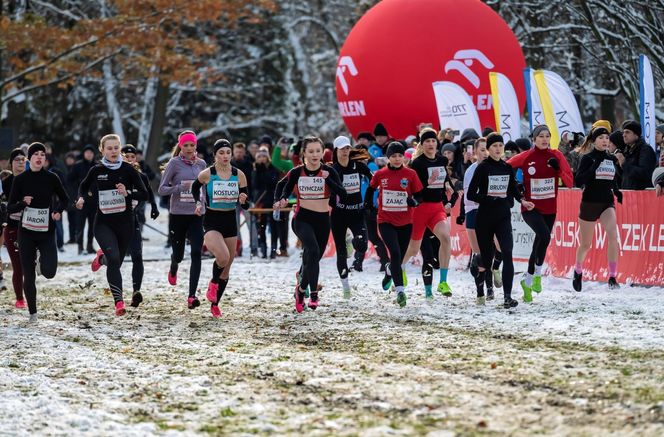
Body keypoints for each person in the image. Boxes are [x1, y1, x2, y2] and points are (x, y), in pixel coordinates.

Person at [76, 134, 148, 316]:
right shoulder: (97, 170)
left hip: (125, 224)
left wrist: (128, 193)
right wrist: (81, 198)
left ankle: (101, 259)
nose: (113, 151)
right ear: (102, 150)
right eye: (109, 148)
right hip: (103, 224)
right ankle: (119, 302)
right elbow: (83, 187)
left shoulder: (129, 170)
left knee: (115, 261)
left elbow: (144, 194)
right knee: (114, 259)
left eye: (116, 148)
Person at [274, 136, 346, 313]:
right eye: (311, 151)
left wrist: (328, 179)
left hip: (322, 221)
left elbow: (343, 194)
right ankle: (313, 294)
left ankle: (300, 291)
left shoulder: (329, 171)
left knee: (312, 258)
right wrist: (280, 199)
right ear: (304, 154)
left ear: (323, 153)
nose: (315, 154)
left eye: (318, 151)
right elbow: (282, 186)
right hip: (302, 219)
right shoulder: (297, 172)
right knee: (312, 251)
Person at [507, 125, 574, 302]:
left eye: (547, 136)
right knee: (544, 236)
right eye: (540, 136)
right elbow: (505, 168)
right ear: (534, 139)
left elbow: (569, 182)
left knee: (540, 244)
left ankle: (527, 282)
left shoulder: (556, 155)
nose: (544, 139)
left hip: (550, 208)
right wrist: (518, 191)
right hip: (530, 208)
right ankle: (537, 275)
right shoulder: (527, 156)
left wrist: (558, 169)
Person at [467, 133, 534, 308]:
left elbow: (513, 190)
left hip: (503, 216)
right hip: (485, 218)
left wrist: (523, 200)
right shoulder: (482, 168)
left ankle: (507, 297)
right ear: (488, 149)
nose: (498, 149)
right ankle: (480, 288)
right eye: (494, 146)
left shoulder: (506, 167)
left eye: (500, 145)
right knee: (486, 261)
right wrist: (489, 199)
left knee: (507, 252)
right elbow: (471, 194)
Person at [6, 143, 69, 321]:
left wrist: (57, 211)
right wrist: (22, 204)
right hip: (25, 233)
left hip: (46, 231)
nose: (40, 157)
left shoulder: (52, 178)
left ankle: (41, 259)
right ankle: (33, 312)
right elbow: (10, 208)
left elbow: (65, 199)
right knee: (28, 273)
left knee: (50, 273)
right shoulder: (20, 180)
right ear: (29, 158)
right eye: (36, 154)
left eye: (43, 154)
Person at [191, 139, 250, 318]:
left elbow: (246, 203)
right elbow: (195, 188)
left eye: (228, 152)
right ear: (215, 155)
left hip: (230, 220)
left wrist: (243, 200)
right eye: (221, 153)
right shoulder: (207, 174)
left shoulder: (239, 175)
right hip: (212, 220)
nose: (225, 156)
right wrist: (198, 203)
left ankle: (215, 303)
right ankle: (213, 283)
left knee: (227, 267)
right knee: (222, 257)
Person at [365, 141, 423, 307]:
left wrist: (414, 202)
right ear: (388, 158)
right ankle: (400, 291)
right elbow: (370, 189)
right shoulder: (380, 174)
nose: (397, 159)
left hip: (406, 222)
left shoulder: (410, 174)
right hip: (385, 221)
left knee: (399, 256)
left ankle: (390, 270)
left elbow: (420, 196)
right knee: (396, 253)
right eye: (393, 156)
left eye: (400, 156)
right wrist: (368, 205)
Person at [402, 128, 455, 299]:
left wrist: (448, 187)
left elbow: (444, 179)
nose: (431, 144)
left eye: (433, 141)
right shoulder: (417, 164)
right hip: (420, 210)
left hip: (437, 208)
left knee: (446, 238)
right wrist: (427, 182)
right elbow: (414, 189)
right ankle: (400, 267)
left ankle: (443, 282)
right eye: (427, 141)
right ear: (422, 145)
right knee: (413, 249)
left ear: (437, 143)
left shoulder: (441, 160)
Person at [158, 130, 208, 309]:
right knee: (178, 255)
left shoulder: (202, 164)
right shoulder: (174, 163)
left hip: (196, 215)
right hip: (178, 215)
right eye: (185, 145)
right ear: (180, 146)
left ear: (196, 146)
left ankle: (191, 296)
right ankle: (174, 264)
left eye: (192, 145)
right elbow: (162, 189)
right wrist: (178, 188)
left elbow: (205, 188)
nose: (189, 148)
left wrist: (204, 203)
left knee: (196, 253)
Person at [573, 126, 622, 291]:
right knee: (586, 244)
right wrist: (594, 168)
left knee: (613, 236)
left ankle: (613, 277)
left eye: (607, 138)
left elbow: (613, 178)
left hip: (607, 203)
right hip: (589, 204)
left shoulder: (611, 159)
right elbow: (579, 181)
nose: (605, 141)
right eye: (601, 138)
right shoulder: (588, 158)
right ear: (594, 141)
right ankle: (578, 271)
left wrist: (616, 190)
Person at [330, 135, 372, 298]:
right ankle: (345, 286)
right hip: (339, 215)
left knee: (362, 245)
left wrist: (369, 199)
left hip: (356, 213)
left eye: (347, 148)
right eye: (342, 149)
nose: (345, 152)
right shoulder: (333, 170)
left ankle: (353, 241)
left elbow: (374, 179)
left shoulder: (358, 166)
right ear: (336, 151)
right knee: (341, 253)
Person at [122, 144, 159, 306]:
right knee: (116, 259)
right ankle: (102, 258)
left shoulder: (140, 176)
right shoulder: (115, 174)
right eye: (126, 156)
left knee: (137, 256)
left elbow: (148, 192)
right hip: (113, 223)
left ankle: (136, 291)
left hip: (132, 220)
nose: (130, 160)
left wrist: (154, 207)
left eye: (132, 157)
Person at [462, 138, 495, 302]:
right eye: (481, 150)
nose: (485, 153)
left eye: (486, 149)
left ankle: (490, 286)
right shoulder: (471, 171)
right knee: (481, 255)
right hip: (474, 213)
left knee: (494, 251)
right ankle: (481, 291)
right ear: (475, 152)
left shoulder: (495, 168)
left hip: (491, 213)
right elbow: (471, 198)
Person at [2, 148, 27, 308]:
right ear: (11, 163)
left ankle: (28, 293)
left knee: (28, 265)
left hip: (31, 227)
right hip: (11, 228)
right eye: (17, 159)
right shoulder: (5, 183)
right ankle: (20, 299)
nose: (20, 162)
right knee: (18, 266)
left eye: (23, 159)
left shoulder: (31, 179)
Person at [251, 147, 280, 258]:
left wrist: (265, 172)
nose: (262, 158)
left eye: (264, 156)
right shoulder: (255, 170)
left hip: (272, 200)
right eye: (259, 156)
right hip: (260, 201)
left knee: (274, 226)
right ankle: (263, 249)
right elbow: (255, 185)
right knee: (261, 226)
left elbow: (273, 182)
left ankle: (273, 249)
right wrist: (259, 170)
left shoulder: (273, 169)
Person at [231, 142, 256, 257]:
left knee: (251, 223)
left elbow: (252, 182)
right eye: (237, 152)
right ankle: (238, 246)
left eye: (241, 152)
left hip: (246, 197)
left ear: (244, 152)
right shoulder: (229, 164)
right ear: (233, 152)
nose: (239, 154)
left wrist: (251, 197)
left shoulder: (249, 164)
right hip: (232, 198)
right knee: (234, 225)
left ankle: (254, 247)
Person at [617, 120, 657, 190]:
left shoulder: (645, 149)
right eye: (623, 132)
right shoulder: (627, 150)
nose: (624, 135)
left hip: (641, 196)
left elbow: (645, 174)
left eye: (627, 132)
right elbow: (626, 176)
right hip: (629, 195)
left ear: (636, 135)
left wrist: (624, 164)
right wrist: (617, 165)